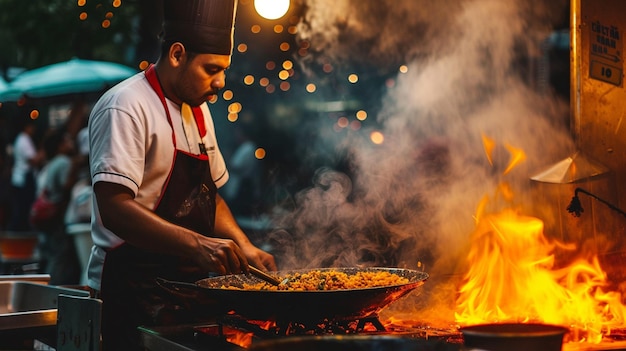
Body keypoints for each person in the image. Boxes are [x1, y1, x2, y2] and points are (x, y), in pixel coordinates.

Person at [86, 0, 276, 349]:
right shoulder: (126, 105)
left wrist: (245, 247)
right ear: (177, 54)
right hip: (130, 293)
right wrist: (198, 245)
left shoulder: (200, 112)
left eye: (223, 70)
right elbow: (113, 208)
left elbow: (208, 197)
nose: (220, 83)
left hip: (186, 293)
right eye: (211, 69)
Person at [36, 128, 82, 285]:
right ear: (60, 145)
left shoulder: (50, 164)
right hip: (59, 216)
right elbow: (65, 186)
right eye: (67, 140)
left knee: (53, 256)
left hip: (49, 217)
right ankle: (52, 296)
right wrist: (75, 168)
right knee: (59, 259)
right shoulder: (63, 162)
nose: (71, 143)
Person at [8, 119, 43, 231]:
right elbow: (33, 160)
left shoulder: (22, 139)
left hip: (21, 177)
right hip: (24, 178)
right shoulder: (23, 140)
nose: (33, 129)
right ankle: (16, 232)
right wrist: (44, 152)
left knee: (22, 207)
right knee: (24, 207)